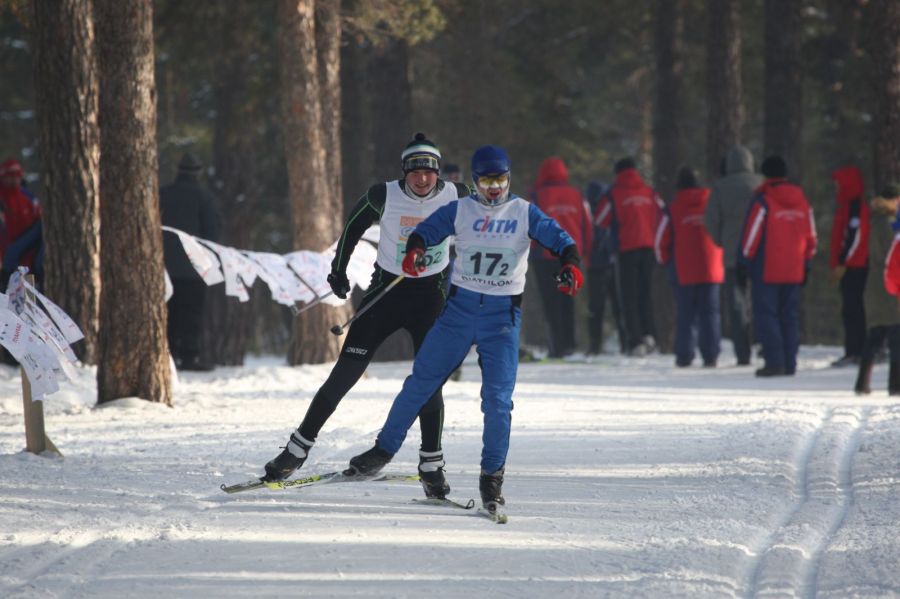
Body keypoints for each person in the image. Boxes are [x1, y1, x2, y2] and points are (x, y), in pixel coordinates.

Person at [341, 145, 582, 516]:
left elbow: (562, 241)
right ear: (475, 181)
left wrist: (570, 266)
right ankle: (383, 450)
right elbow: (425, 231)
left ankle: (492, 478)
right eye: (486, 181)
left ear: (509, 179)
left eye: (500, 180)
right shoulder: (461, 209)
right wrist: (416, 250)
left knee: (498, 401)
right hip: (459, 311)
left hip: (501, 318)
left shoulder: (523, 212)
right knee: (421, 381)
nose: (494, 189)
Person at [262, 133, 471, 500]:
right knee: (345, 372)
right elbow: (352, 229)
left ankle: (432, 466)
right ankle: (295, 451)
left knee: (429, 381)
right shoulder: (383, 195)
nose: (422, 179)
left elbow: (500, 214)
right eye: (415, 171)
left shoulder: (458, 194)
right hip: (385, 293)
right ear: (405, 172)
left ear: (439, 173)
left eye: (429, 172)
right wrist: (338, 271)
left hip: (430, 298)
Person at [737, 156, 817, 377]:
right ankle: (790, 362)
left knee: (766, 315)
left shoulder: (763, 200)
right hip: (794, 268)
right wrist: (807, 263)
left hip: (767, 268)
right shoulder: (802, 201)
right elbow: (811, 236)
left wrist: (744, 262)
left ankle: (775, 361)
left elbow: (752, 235)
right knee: (789, 316)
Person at [595, 157, 664, 356]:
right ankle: (650, 334)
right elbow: (661, 214)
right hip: (648, 248)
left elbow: (600, 220)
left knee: (628, 297)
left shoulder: (614, 194)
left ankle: (636, 341)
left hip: (626, 249)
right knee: (645, 294)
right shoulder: (650, 192)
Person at [655, 167, 723, 367]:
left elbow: (661, 240)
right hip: (712, 267)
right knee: (710, 313)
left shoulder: (674, 208)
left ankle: (684, 355)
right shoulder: (712, 204)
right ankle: (711, 355)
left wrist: (665, 261)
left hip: (683, 269)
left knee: (686, 314)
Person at [160, 152, 222, 371]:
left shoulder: (162, 194)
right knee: (191, 314)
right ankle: (189, 357)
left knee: (168, 312)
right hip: (193, 268)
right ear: (198, 172)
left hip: (163, 268)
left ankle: (167, 355)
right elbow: (211, 234)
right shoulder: (204, 197)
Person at [704, 146, 764, 366]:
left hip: (732, 254)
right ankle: (765, 345)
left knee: (737, 306)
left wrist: (722, 240)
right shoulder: (761, 184)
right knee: (761, 301)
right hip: (759, 254)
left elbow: (710, 220)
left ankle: (743, 353)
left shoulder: (720, 187)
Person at [530, 157, 593, 357]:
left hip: (544, 256)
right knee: (567, 299)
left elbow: (529, 224)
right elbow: (588, 224)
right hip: (569, 255)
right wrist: (586, 252)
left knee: (550, 303)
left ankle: (556, 346)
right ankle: (569, 344)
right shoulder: (577, 195)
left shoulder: (537, 196)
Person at [855, 184, 900, 395]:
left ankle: (862, 383)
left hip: (875, 284)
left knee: (875, 336)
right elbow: (892, 257)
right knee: (896, 336)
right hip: (889, 285)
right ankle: (896, 385)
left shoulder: (875, 221)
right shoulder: (890, 225)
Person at [829, 165, 869, 367]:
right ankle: (853, 350)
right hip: (850, 266)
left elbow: (854, 237)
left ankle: (857, 351)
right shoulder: (847, 206)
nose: (836, 187)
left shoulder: (855, 207)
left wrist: (843, 262)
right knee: (850, 309)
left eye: (839, 183)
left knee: (854, 310)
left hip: (854, 267)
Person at [585, 181, 625, 354]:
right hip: (613, 262)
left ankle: (595, 345)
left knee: (596, 307)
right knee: (619, 305)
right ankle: (626, 341)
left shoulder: (588, 211)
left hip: (594, 264)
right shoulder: (610, 207)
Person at [0, 159, 42, 289]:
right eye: (9, 176)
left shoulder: (27, 197)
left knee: (30, 302)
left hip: (28, 262)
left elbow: (38, 224)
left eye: (17, 176)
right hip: (7, 261)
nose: (13, 180)